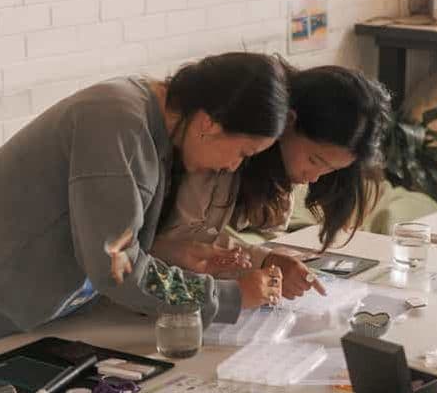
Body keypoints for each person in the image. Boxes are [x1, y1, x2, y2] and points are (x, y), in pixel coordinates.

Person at [0, 52, 290, 369]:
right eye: (243, 153)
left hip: (23, 297)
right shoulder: (118, 123)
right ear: (209, 123)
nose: (234, 168)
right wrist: (227, 297)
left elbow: (110, 234)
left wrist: (172, 254)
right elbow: (116, 267)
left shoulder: (152, 124)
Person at [153, 64, 391, 299]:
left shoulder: (269, 167)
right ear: (288, 122)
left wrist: (263, 260)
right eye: (313, 159)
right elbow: (174, 251)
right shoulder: (221, 150)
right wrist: (244, 280)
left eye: (330, 170)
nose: (314, 176)